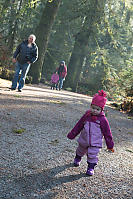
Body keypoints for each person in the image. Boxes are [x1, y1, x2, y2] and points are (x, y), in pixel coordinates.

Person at [67, 90, 114, 176]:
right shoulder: (86, 116)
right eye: (93, 108)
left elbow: (107, 133)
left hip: (95, 142)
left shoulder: (103, 120)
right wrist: (72, 134)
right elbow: (79, 125)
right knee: (80, 150)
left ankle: (90, 168)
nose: (95, 111)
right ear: (90, 106)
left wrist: (110, 144)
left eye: (97, 109)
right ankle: (78, 158)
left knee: (93, 155)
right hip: (84, 139)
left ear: (101, 110)